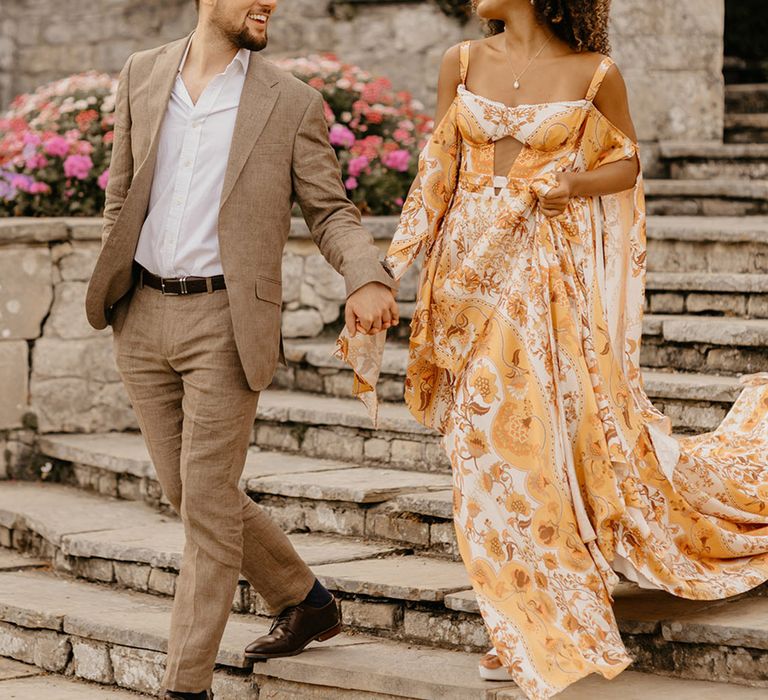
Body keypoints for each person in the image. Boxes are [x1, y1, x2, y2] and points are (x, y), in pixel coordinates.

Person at [335, 1, 768, 698]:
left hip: (543, 275)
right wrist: (394, 264)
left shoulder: (596, 75)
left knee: (524, 441)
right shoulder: (463, 62)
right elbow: (436, 171)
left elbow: (625, 166)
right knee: (476, 444)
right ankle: (518, 603)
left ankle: (523, 615)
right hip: (465, 268)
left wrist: (572, 181)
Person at [84, 1, 399, 698]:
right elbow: (121, 193)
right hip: (140, 313)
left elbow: (329, 210)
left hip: (227, 323)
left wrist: (365, 275)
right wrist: (109, 282)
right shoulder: (142, 74)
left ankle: (185, 685)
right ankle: (306, 599)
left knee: (205, 504)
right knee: (193, 494)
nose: (270, 2)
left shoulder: (291, 102)